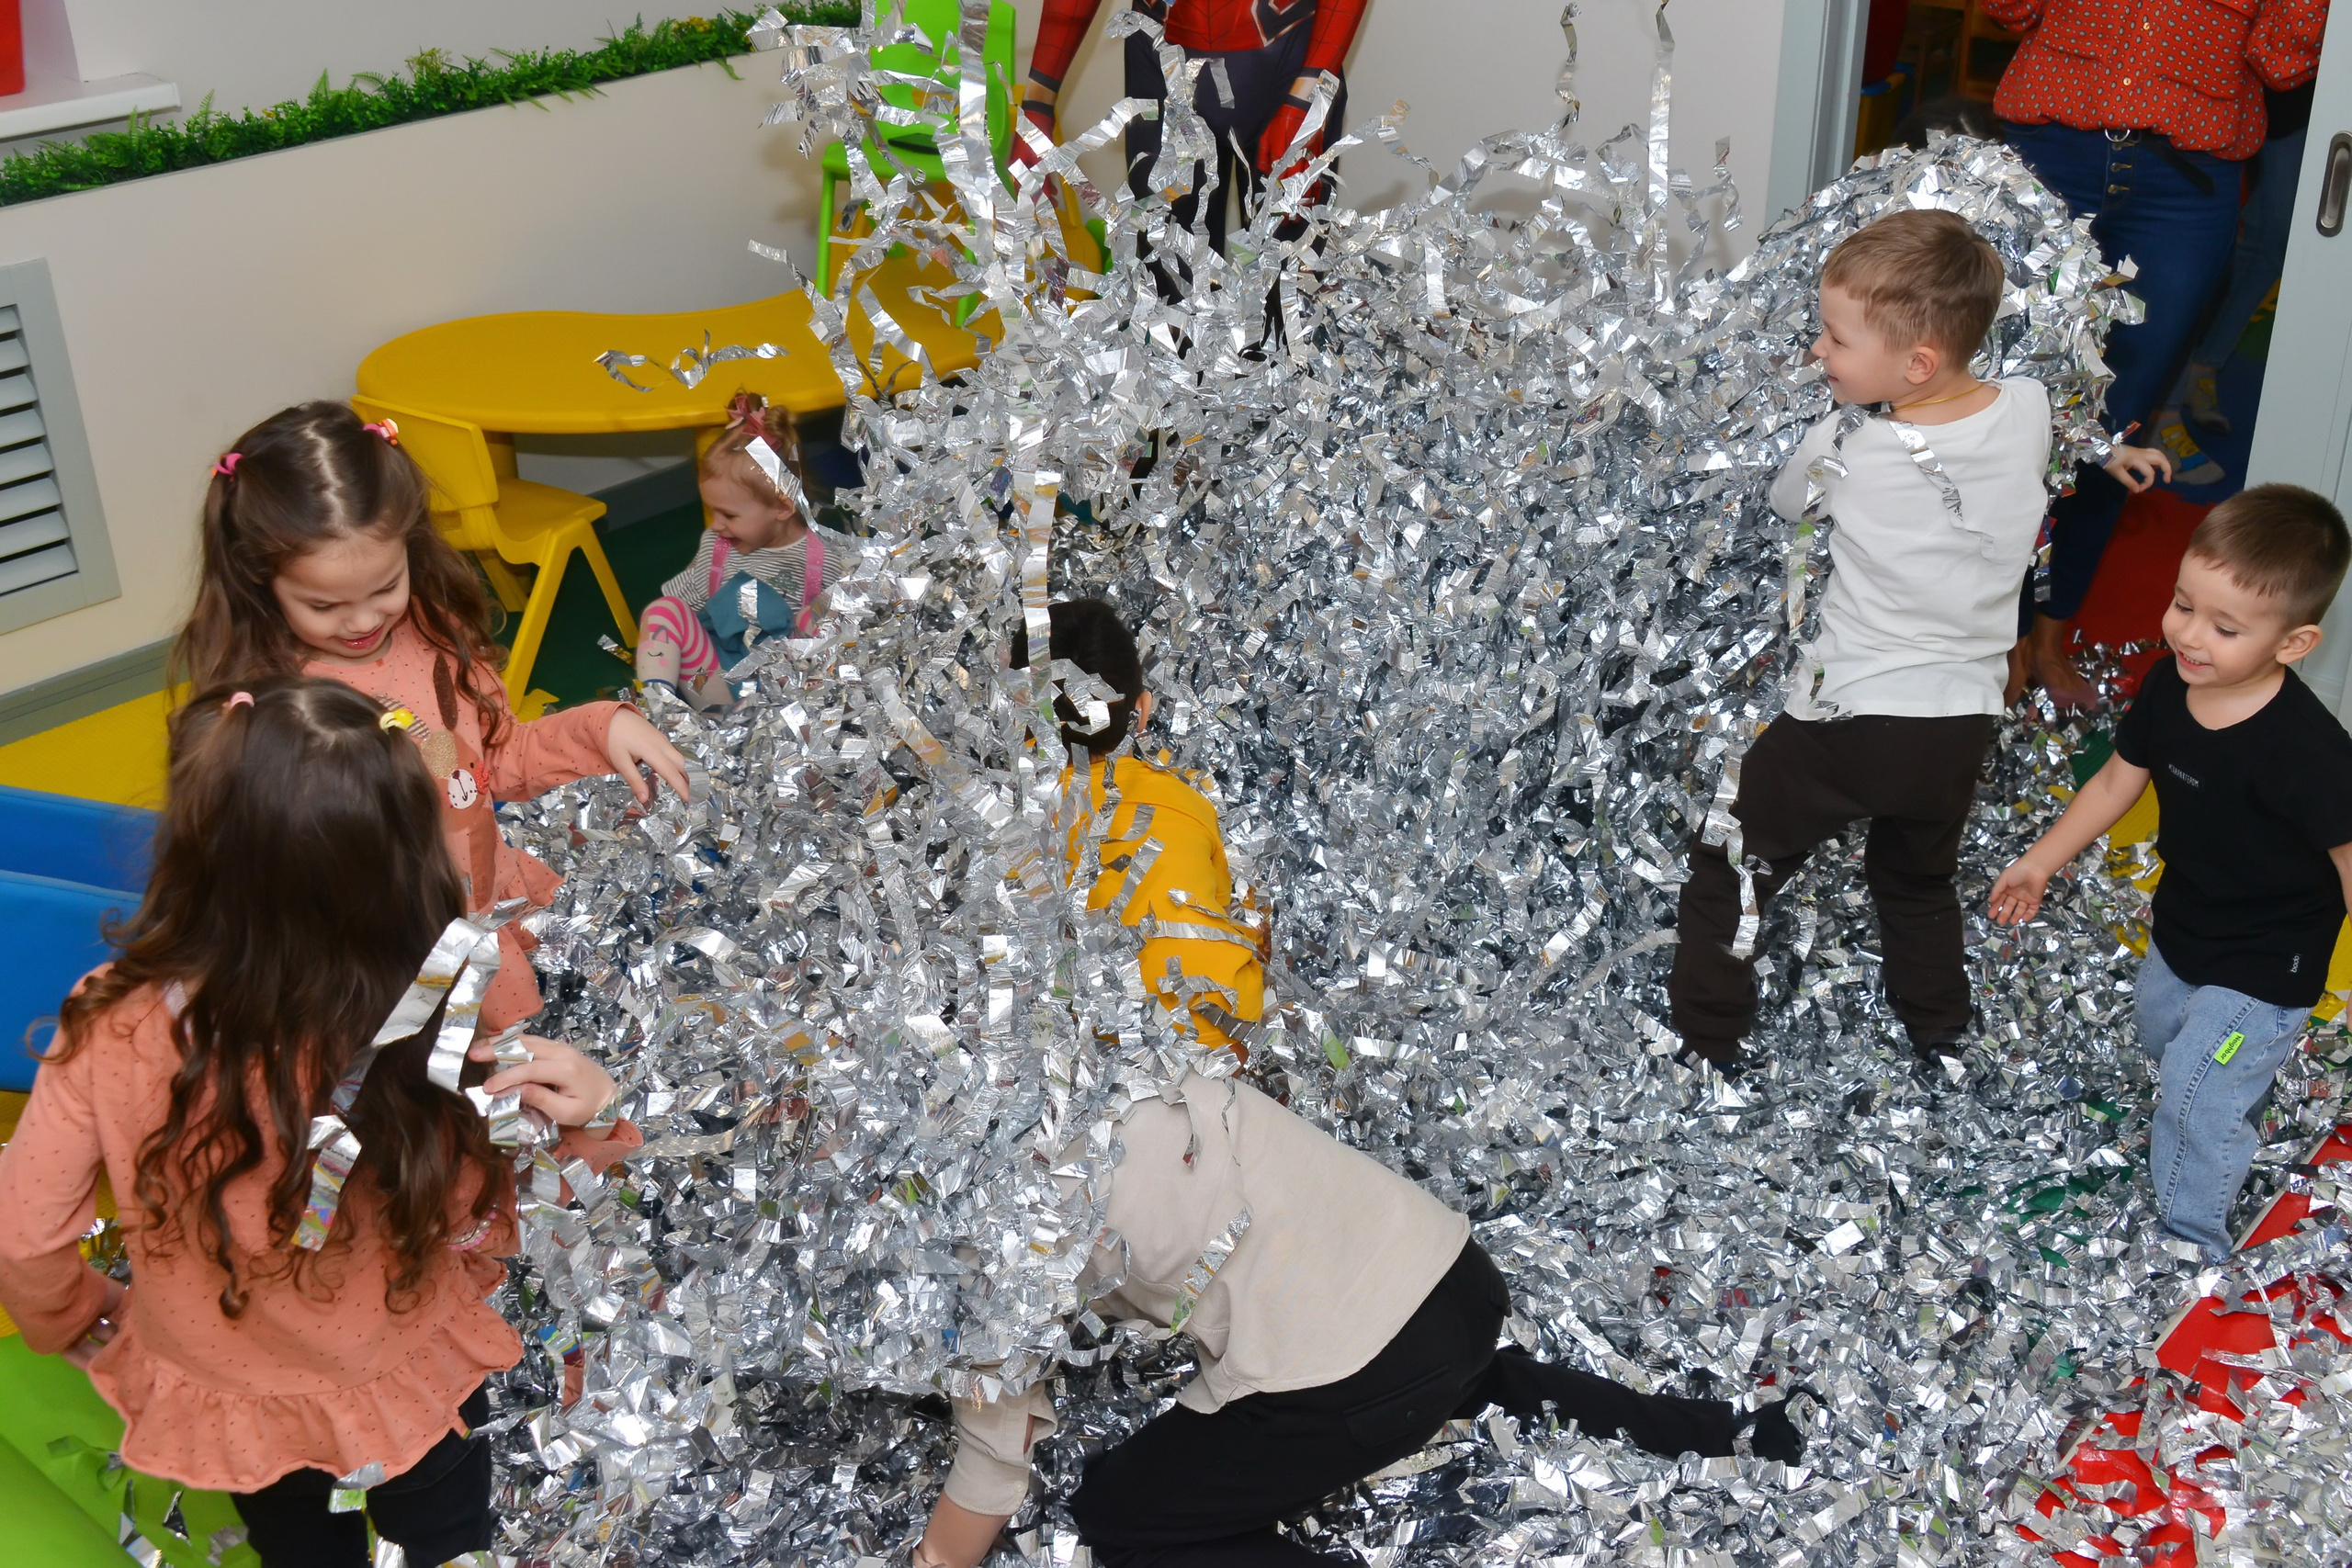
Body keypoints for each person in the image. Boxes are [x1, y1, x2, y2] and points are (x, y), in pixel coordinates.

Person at [0, 678, 642, 1568]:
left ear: (191, 851)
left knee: (302, 1550)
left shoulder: (107, 1024)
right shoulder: (435, 1017)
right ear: (402, 876)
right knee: (450, 1539)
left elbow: (25, 1228)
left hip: (236, 1399)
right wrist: (601, 1109)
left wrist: (70, 1319)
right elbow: (544, 1176)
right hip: (407, 1374)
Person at [909, 1071, 1813, 1568]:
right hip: (1456, 1280)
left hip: (1361, 1377)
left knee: (1121, 1514)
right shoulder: (1101, 1047)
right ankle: (1745, 1435)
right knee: (1479, 1378)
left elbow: (994, 1465)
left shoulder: (985, 1249)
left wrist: (935, 1565)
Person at [1668, 210, 2166, 1069]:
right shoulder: (2028, 408)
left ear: (1917, 364)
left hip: (1845, 721)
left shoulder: (1843, 446)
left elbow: (1789, 506)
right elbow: (2065, 425)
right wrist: (2107, 454)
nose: (1818, 353)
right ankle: (1940, 1032)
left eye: (1834, 339)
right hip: (1957, 727)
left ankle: (1706, 1042)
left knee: (1730, 864)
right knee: (1915, 880)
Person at [175, 400, 691, 1034]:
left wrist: (601, 726)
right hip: (399, 957)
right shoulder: (274, 709)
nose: (364, 621)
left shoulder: (432, 634)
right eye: (324, 604)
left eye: (385, 586)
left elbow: (491, 761)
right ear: (260, 580)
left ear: (411, 547)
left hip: (489, 900)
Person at [1990, 486, 2352, 1261]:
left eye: (2224, 627)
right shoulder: (2167, 686)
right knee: (2164, 1041)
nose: (2188, 634)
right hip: (2184, 926)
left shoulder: (2313, 754)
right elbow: (2117, 782)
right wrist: (2039, 862)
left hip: (2269, 961)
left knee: (2194, 1085)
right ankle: (2225, 1120)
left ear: (2293, 644)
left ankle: (2192, 1244)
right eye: (2183, 605)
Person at [1982, 0, 2328, 705]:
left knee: (2120, 420)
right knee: (2005, 398)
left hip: (2184, 185)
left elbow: (2282, 61)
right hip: (2051, 152)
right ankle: (1993, 637)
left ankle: (2050, 634)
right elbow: (2008, 9)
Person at [1011, 598, 1265, 1052]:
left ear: (1022, 722)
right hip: (1227, 1027)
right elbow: (1226, 906)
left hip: (1104, 1045)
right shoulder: (1190, 802)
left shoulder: (1025, 821)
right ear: (1142, 710)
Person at [1014, 0, 1365, 256]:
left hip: (1288, 65)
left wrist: (1308, 97)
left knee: (1285, 283)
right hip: (1161, 58)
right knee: (1168, 280)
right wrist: (1038, 103)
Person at [2151, 73, 2323, 488]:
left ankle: (2204, 365)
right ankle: (2163, 413)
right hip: (2216, 76)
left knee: (2274, 236)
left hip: (2295, 84)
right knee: (2194, 246)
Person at [636, 392, 861, 705]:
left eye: (728, 514)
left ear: (782, 507)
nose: (716, 524)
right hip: (712, 684)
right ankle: (657, 705)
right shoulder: (717, 546)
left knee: (828, 612)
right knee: (662, 610)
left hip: (781, 694)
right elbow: (681, 603)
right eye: (712, 510)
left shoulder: (824, 559)